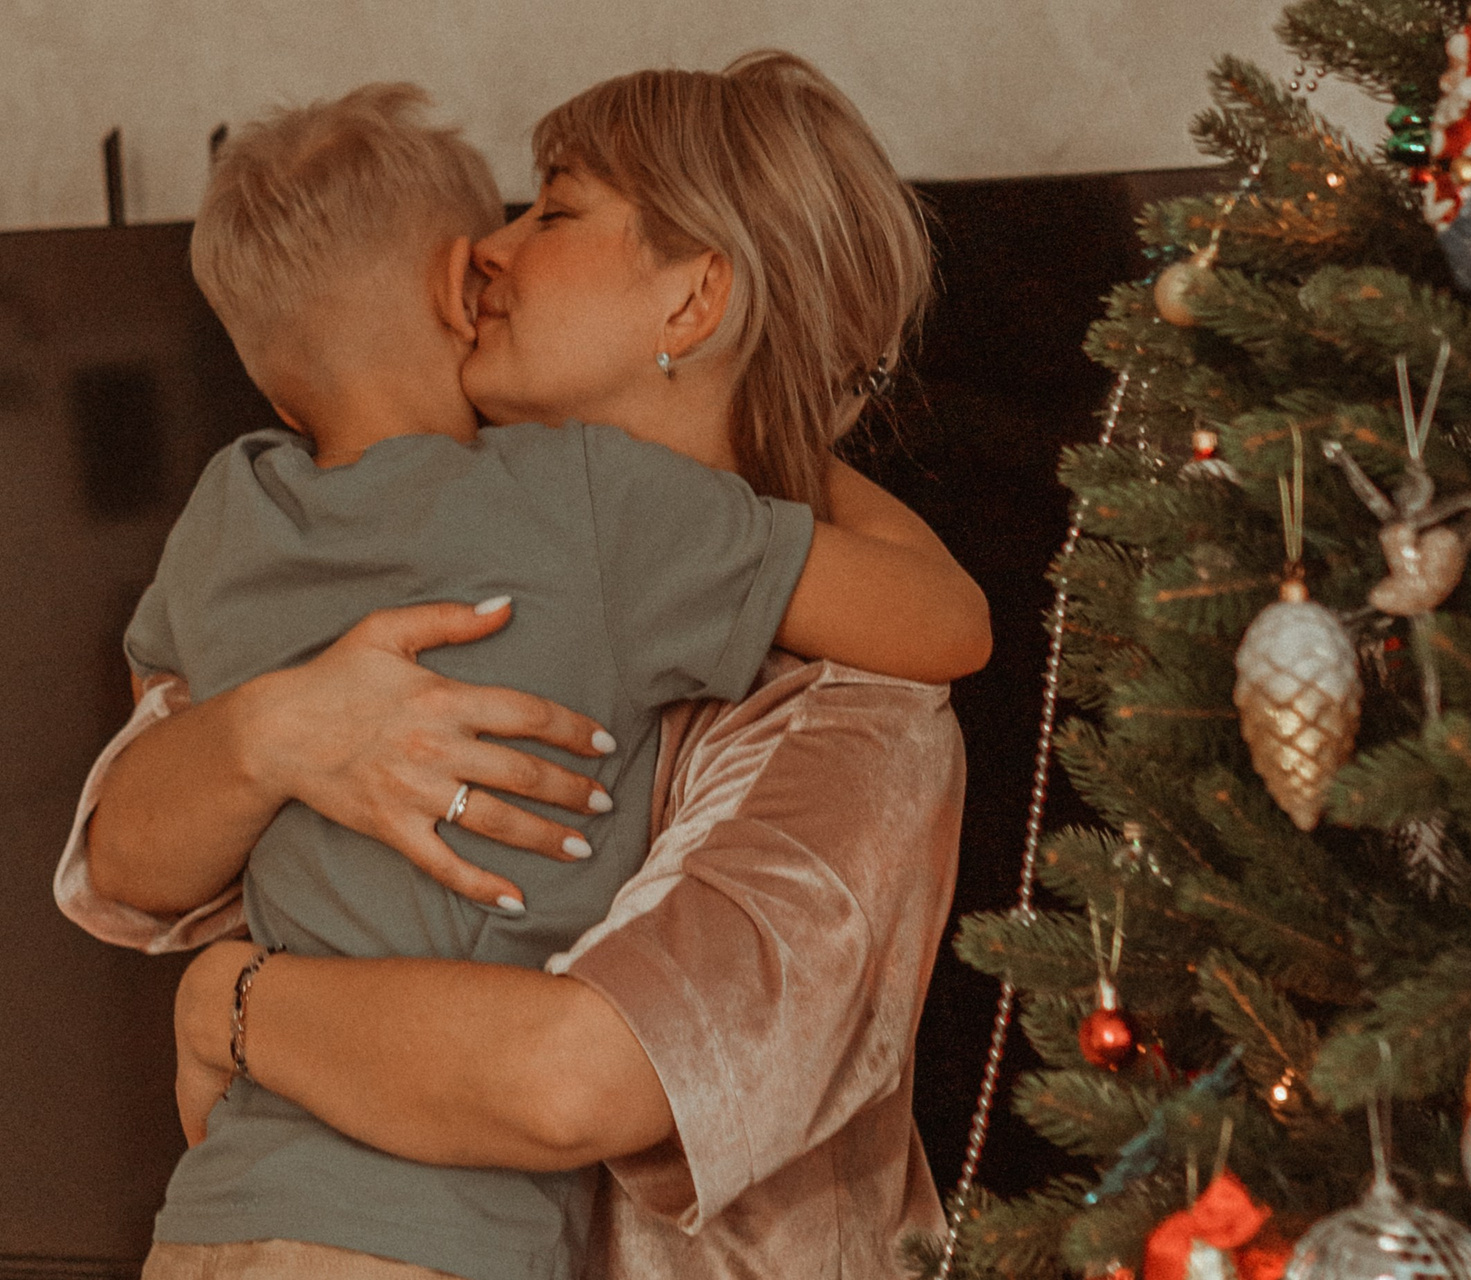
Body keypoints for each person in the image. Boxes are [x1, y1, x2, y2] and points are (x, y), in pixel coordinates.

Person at [60, 53, 972, 1280]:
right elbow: (122, 857)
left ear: (693, 300)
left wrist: (230, 1000)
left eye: (553, 211)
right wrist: (276, 728)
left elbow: (570, 1079)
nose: (486, 252)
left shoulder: (852, 717)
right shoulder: (426, 544)